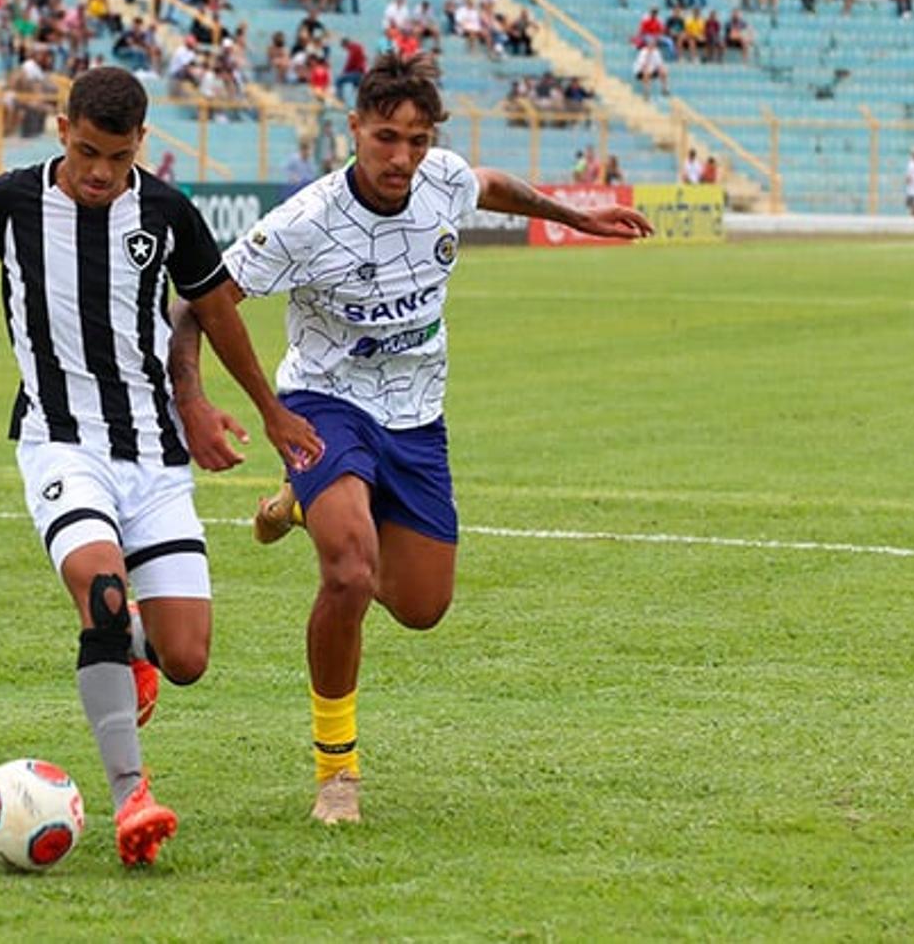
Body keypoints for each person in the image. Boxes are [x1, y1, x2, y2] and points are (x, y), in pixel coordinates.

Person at [0, 65, 323, 866]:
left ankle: (134, 657)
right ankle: (133, 796)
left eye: (117, 158)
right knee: (100, 586)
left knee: (186, 656)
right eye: (87, 151)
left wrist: (264, 407)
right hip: (60, 440)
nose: (99, 172)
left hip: (154, 455)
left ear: (141, 146)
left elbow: (216, 311)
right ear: (62, 129)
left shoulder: (166, 212)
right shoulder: (13, 202)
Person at [166, 52, 652, 826]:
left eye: (417, 140)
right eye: (386, 137)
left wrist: (577, 216)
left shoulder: (441, 181)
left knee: (423, 606)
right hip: (323, 403)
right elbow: (197, 305)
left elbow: (492, 184)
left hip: (417, 413)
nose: (401, 157)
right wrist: (201, 400)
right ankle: (338, 774)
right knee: (351, 572)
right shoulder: (305, 222)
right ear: (354, 127)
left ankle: (298, 506)